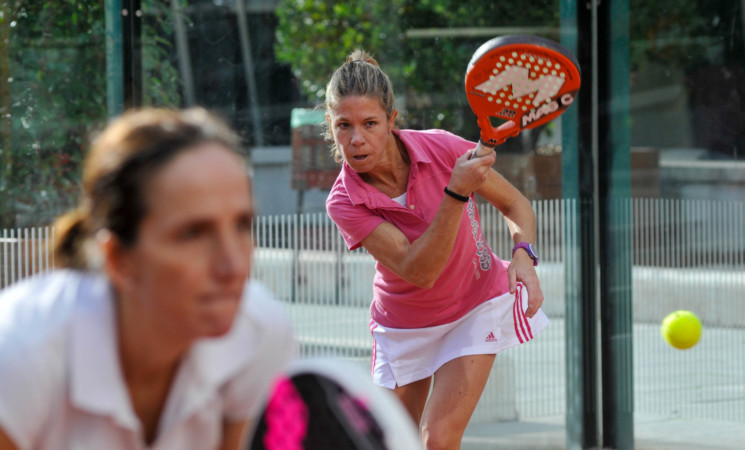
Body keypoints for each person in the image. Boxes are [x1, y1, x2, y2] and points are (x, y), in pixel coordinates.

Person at [0, 108, 296, 449]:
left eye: (243, 225)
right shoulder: (20, 356)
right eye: (193, 234)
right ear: (118, 259)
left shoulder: (261, 334)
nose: (232, 266)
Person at [324, 50, 549, 449]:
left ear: (392, 121)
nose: (356, 139)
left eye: (370, 123)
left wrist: (523, 255)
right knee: (397, 442)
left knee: (438, 439)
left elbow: (515, 204)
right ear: (330, 125)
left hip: (475, 304)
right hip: (403, 324)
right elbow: (419, 269)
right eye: (344, 125)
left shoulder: (444, 149)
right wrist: (456, 192)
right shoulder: (344, 200)